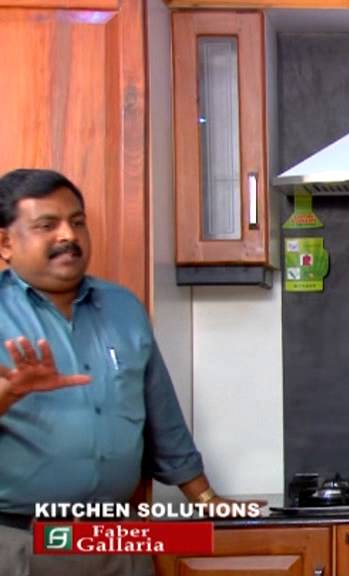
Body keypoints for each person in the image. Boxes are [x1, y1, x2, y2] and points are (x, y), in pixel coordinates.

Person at [0, 168, 227, 576]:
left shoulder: (123, 307)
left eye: (77, 222)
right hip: (21, 544)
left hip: (118, 542)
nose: (68, 236)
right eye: (47, 225)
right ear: (6, 244)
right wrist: (9, 395)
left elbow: (163, 419)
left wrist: (208, 501)